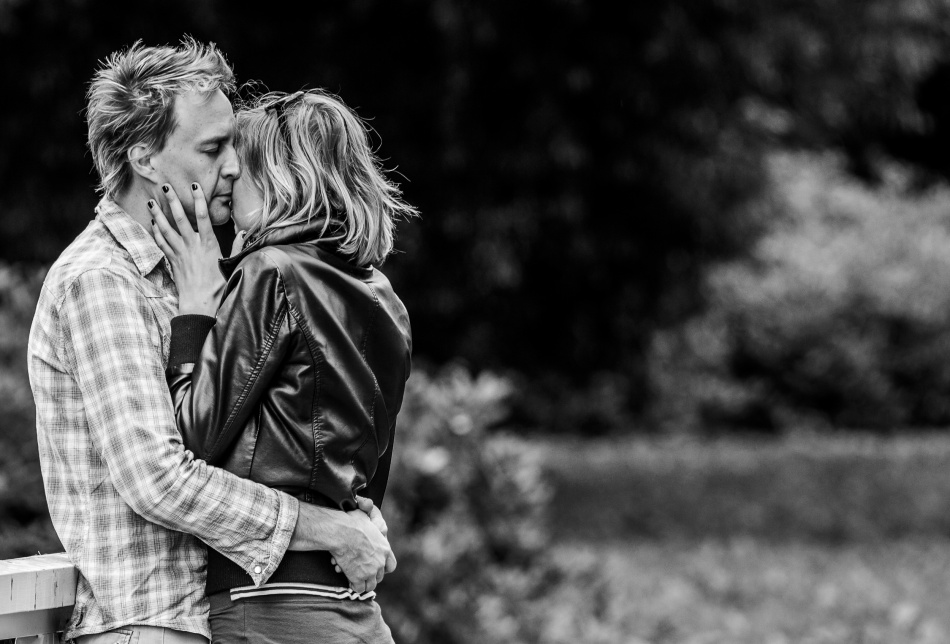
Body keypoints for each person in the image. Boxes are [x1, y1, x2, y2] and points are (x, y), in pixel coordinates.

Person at [27, 39, 394, 644]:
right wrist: (323, 528)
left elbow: (255, 443)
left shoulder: (203, 273)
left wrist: (339, 504)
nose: (234, 166)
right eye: (212, 148)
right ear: (145, 158)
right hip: (155, 626)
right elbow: (157, 479)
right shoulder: (101, 280)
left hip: (228, 619)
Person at [148, 88, 416, 644]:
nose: (228, 175)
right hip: (352, 607)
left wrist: (194, 313)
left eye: (240, 164)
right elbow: (367, 483)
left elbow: (191, 440)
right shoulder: (386, 299)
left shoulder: (270, 271)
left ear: (278, 177)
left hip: (268, 604)